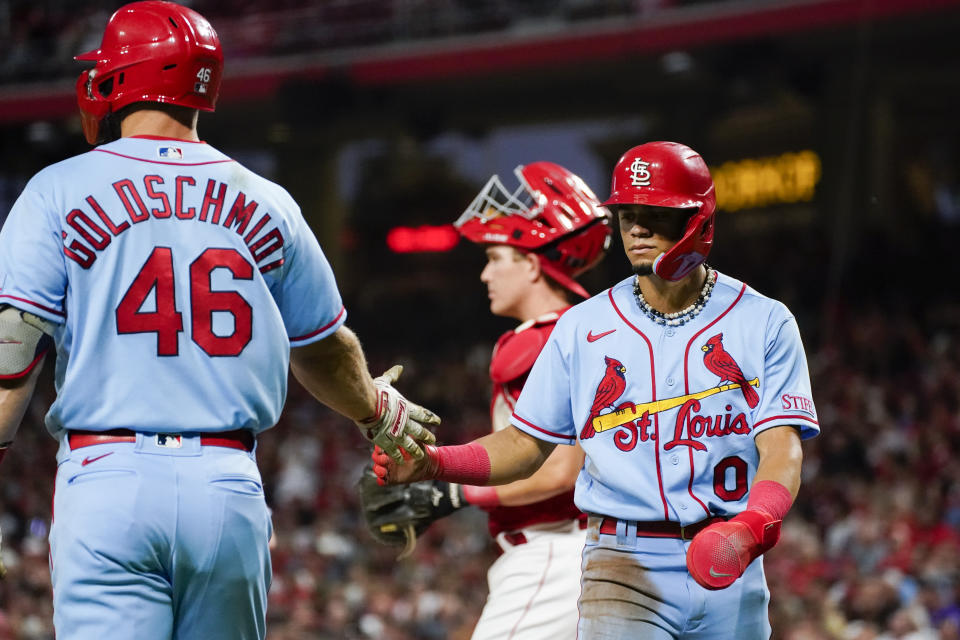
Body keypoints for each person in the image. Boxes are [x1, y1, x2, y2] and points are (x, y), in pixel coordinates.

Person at [0, 3, 437, 639]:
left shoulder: (58, 188)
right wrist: (375, 409)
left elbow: (12, 357)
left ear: (118, 80)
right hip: (226, 485)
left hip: (108, 479)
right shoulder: (269, 199)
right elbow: (321, 348)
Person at [374, 141, 820, 639]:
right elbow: (525, 444)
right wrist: (436, 464)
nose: (636, 227)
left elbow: (782, 446)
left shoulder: (764, 320)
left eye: (654, 212)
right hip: (622, 561)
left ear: (699, 219)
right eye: (627, 212)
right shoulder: (581, 327)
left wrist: (754, 525)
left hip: (729, 557)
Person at [435, 161, 610, 638]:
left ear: (532, 264)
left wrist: (450, 491)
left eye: (495, 257)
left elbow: (557, 470)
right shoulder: (587, 329)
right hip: (591, 555)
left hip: (554, 553)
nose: (485, 273)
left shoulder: (543, 339)